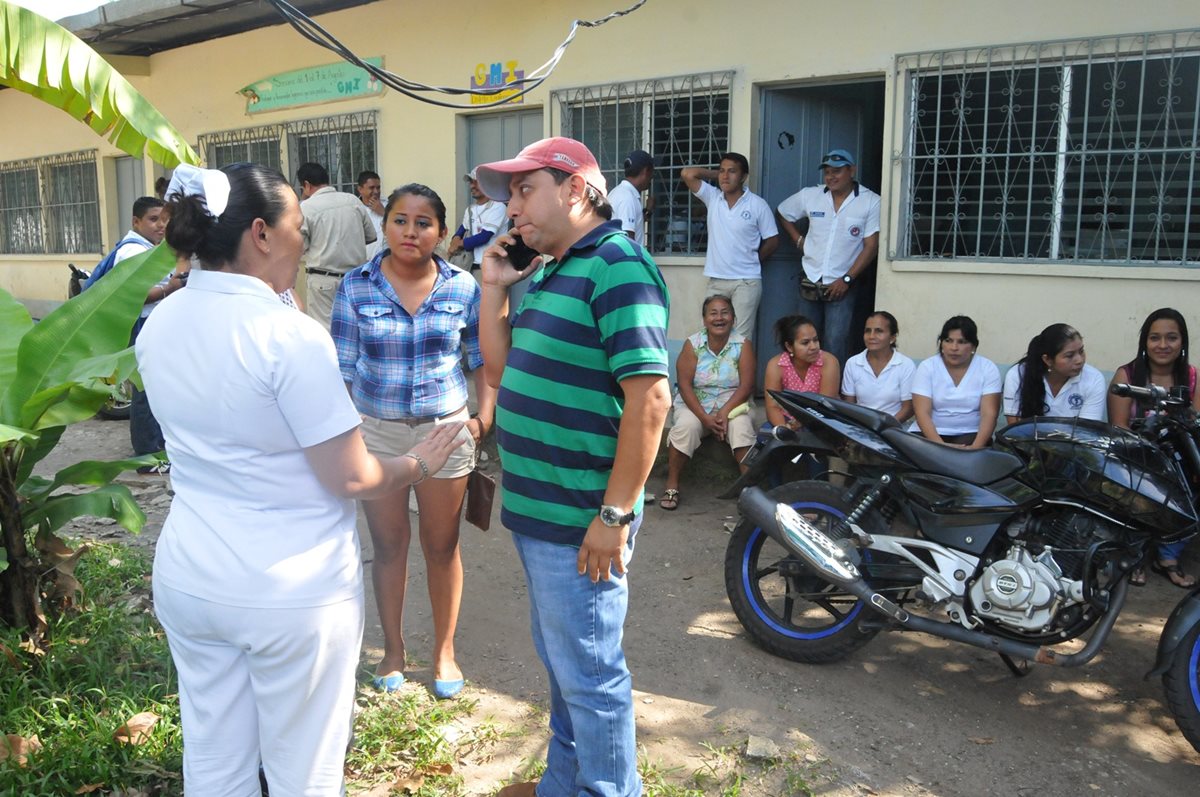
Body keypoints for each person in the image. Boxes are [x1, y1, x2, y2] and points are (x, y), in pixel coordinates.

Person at [136, 162, 463, 794]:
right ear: (262, 234)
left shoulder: (163, 323)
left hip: (191, 578)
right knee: (304, 772)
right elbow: (353, 476)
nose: (304, 244)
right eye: (299, 229)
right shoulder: (288, 338)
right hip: (290, 590)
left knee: (214, 759)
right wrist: (420, 462)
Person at [474, 137, 671, 797]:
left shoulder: (618, 264)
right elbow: (503, 374)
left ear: (577, 189)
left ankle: (610, 788)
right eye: (509, 196)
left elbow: (651, 398)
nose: (511, 208)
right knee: (563, 668)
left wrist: (613, 514)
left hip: (582, 518)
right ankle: (565, 780)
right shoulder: (556, 269)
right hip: (540, 514)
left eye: (524, 189)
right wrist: (495, 288)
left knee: (590, 676)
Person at [332, 183, 495, 698]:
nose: (410, 231)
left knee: (442, 545)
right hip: (376, 432)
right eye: (400, 220)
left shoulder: (464, 288)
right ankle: (394, 650)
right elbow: (339, 371)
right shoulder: (355, 286)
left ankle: (445, 652)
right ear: (385, 226)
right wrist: (346, 434)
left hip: (446, 432)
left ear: (442, 233)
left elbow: (483, 361)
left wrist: (481, 421)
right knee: (388, 545)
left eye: (423, 223)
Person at [1108, 308, 1200, 588]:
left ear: (1182, 342)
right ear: (1144, 342)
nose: (1162, 345)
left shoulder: (1193, 377)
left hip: (1179, 461)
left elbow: (1194, 430)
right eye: (1155, 338)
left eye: (1171, 338)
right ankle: (1134, 554)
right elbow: (1119, 427)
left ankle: (1168, 556)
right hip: (1137, 457)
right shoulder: (1127, 375)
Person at [777, 149, 881, 366]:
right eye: (827, 172)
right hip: (811, 278)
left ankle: (832, 394)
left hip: (842, 283)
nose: (831, 177)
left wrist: (846, 280)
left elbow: (871, 247)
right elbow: (783, 212)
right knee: (804, 340)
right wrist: (798, 240)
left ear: (851, 170)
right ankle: (805, 390)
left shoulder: (870, 201)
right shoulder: (811, 195)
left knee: (836, 342)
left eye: (837, 171)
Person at [660, 294, 756, 511]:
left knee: (741, 427)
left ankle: (749, 491)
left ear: (733, 318)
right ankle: (672, 484)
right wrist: (705, 418)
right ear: (704, 320)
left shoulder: (743, 345)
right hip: (696, 403)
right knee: (686, 427)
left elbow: (746, 386)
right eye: (713, 313)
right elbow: (684, 385)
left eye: (725, 313)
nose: (719, 318)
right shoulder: (692, 345)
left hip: (732, 402)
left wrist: (723, 413)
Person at [681, 153, 779, 341]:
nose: (725, 176)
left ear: (743, 176)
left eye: (732, 171)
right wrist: (715, 174)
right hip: (717, 280)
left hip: (746, 282)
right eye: (722, 171)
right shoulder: (713, 198)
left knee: (741, 338)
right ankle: (714, 372)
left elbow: (773, 240)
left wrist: (753, 260)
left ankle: (740, 372)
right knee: (711, 334)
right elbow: (687, 174)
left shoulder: (757, 205)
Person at [297, 162, 377, 329]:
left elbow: (299, 246)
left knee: (325, 332)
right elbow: (370, 236)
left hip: (322, 280)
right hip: (355, 279)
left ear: (306, 185)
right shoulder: (352, 200)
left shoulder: (307, 207)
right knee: (356, 329)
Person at [911, 315, 1001, 448]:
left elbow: (989, 414)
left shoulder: (987, 368)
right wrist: (940, 446)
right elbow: (922, 413)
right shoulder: (927, 367)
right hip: (929, 434)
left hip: (971, 434)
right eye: (948, 340)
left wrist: (975, 448)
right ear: (941, 343)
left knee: (964, 462)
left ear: (973, 346)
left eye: (962, 342)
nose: (954, 347)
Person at [1003, 323, 1106, 424]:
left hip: (1075, 441)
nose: (1079, 360)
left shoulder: (1094, 378)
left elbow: (1087, 430)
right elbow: (1015, 428)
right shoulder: (1018, 374)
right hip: (1026, 440)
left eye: (1081, 351)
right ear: (1047, 360)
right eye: (1069, 355)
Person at [763, 315, 841, 429]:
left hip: (823, 420)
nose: (814, 347)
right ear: (789, 346)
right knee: (765, 437)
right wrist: (785, 429)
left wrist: (800, 426)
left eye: (815, 340)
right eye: (805, 343)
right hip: (788, 420)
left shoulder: (829, 362)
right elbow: (772, 407)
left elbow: (825, 406)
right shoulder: (776, 365)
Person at [841, 310, 916, 422]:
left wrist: (884, 427)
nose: (871, 336)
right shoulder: (853, 363)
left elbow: (909, 408)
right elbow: (849, 405)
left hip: (895, 427)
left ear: (892, 338)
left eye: (879, 331)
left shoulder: (905, 365)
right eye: (867, 331)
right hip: (861, 427)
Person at [447, 168, 508, 270]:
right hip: (471, 264)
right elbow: (462, 229)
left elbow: (484, 236)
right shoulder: (470, 209)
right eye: (471, 182)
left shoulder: (498, 206)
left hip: (493, 265)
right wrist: (455, 239)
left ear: (488, 184)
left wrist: (458, 244)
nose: (472, 186)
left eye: (476, 182)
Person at [607, 149, 654, 245]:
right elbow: (627, 240)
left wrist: (648, 211)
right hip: (627, 259)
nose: (652, 177)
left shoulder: (619, 192)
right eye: (652, 172)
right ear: (646, 171)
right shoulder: (627, 198)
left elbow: (634, 222)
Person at [357, 169, 385, 260]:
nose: (376, 191)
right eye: (371, 188)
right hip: (364, 263)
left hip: (387, 262)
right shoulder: (354, 209)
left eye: (378, 187)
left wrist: (384, 213)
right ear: (360, 189)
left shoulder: (389, 205)